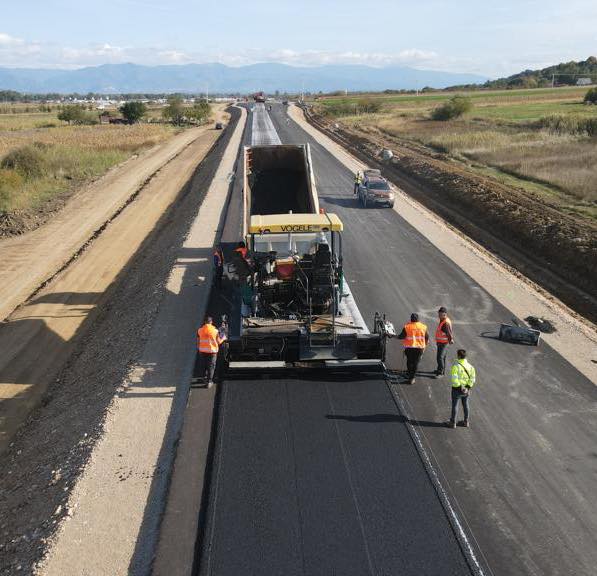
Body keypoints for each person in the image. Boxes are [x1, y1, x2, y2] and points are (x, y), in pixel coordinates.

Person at [446, 349, 476, 428]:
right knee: (466, 405)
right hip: (466, 390)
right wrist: (467, 387)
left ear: (459, 356)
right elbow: (472, 379)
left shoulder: (456, 366)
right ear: (465, 356)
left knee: (455, 406)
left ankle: (453, 422)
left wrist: (460, 387)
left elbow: (454, 379)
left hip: (457, 390)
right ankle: (466, 421)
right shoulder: (471, 367)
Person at [398, 313, 429, 384]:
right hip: (419, 348)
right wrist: (424, 346)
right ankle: (412, 378)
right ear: (418, 319)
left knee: (409, 362)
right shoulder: (423, 327)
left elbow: (401, 336)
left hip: (409, 348)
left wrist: (392, 336)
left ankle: (409, 374)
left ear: (411, 319)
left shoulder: (407, 327)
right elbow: (427, 337)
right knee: (416, 363)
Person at [197, 316, 226, 388]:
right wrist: (224, 338)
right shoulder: (215, 331)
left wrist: (199, 348)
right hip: (212, 352)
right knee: (211, 366)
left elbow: (198, 341)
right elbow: (219, 341)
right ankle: (209, 382)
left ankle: (204, 377)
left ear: (205, 322)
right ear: (211, 322)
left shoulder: (200, 330)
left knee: (204, 365)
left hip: (202, 351)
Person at [434, 306, 454, 378]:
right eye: (438, 314)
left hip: (444, 343)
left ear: (444, 314)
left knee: (440, 357)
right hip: (441, 342)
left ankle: (441, 373)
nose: (438, 316)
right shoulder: (443, 320)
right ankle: (441, 369)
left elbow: (449, 333)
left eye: (440, 314)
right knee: (442, 357)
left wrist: (450, 339)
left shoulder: (445, 323)